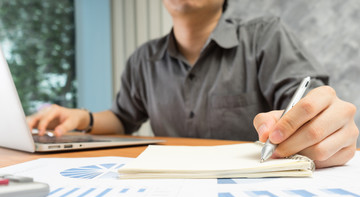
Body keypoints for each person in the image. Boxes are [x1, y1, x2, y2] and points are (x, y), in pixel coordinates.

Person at [27, 0, 358, 169]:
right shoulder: (143, 58)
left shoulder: (264, 35)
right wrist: (82, 119)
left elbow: (307, 98)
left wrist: (320, 119)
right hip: (170, 185)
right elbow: (124, 117)